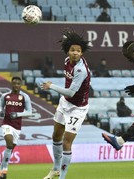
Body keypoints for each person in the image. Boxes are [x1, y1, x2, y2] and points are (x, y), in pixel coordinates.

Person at [42, 29, 91, 179]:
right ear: (67, 51)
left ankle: (62, 177)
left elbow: (71, 92)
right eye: (72, 50)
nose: (75, 53)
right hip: (64, 104)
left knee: (66, 142)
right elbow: (67, 95)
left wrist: (51, 86)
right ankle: (55, 169)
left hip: (78, 108)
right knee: (56, 136)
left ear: (82, 53)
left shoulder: (81, 70)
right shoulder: (66, 61)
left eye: (78, 51)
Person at [0, 76, 33, 179]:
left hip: (17, 126)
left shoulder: (25, 97)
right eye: (14, 83)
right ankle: (5, 170)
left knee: (10, 148)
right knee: (9, 142)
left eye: (18, 83)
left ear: (20, 85)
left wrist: (17, 114)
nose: (16, 85)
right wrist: (0, 112)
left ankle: (0, 169)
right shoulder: (5, 96)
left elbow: (29, 112)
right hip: (6, 123)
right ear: (11, 84)